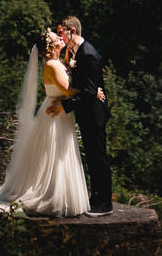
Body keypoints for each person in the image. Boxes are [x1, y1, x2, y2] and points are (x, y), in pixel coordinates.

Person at [0, 29, 89, 217]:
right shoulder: (52, 65)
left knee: (60, 156)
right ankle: (52, 197)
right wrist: (91, 91)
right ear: (49, 47)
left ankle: (61, 195)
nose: (60, 38)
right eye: (56, 37)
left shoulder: (60, 62)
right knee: (53, 157)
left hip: (61, 114)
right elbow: (69, 91)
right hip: (53, 117)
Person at [48, 15, 113, 216]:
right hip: (85, 113)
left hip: (95, 115)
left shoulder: (89, 54)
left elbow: (88, 91)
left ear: (72, 32)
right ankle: (95, 198)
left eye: (61, 32)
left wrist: (65, 106)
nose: (60, 36)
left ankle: (104, 204)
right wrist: (92, 90)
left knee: (98, 158)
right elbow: (87, 88)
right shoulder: (73, 52)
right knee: (92, 158)